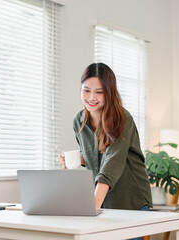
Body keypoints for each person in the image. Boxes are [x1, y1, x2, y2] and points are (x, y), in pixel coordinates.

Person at [59, 62, 152, 213]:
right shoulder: (78, 121)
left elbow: (112, 162)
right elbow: (97, 156)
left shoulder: (123, 119)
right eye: (86, 90)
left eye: (99, 92)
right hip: (103, 201)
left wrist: (93, 205)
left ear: (109, 92)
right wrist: (79, 159)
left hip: (130, 200)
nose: (91, 97)